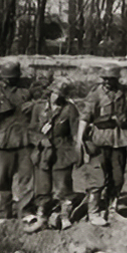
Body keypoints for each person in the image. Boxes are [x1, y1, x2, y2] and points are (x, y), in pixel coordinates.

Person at [77, 63, 127, 226]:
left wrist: (124, 117)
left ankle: (112, 208)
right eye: (104, 79)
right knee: (97, 178)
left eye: (110, 79)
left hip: (119, 138)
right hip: (100, 138)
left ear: (116, 79)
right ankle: (94, 211)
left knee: (117, 177)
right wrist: (79, 140)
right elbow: (85, 117)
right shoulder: (95, 93)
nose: (106, 82)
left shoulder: (126, 92)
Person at [0, 60, 35, 224]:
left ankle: (25, 210)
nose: (10, 80)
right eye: (8, 77)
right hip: (2, 141)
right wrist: (0, 111)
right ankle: (4, 211)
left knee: (26, 177)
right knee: (3, 179)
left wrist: (32, 105)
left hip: (24, 139)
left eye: (13, 77)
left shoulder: (26, 92)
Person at [25, 78, 80, 232]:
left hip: (62, 152)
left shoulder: (69, 109)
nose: (57, 96)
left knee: (64, 186)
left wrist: (78, 152)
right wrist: (41, 139)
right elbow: (30, 131)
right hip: (43, 152)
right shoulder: (39, 108)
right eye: (55, 93)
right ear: (50, 92)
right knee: (42, 187)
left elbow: (75, 133)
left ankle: (65, 216)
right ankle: (41, 217)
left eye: (60, 94)